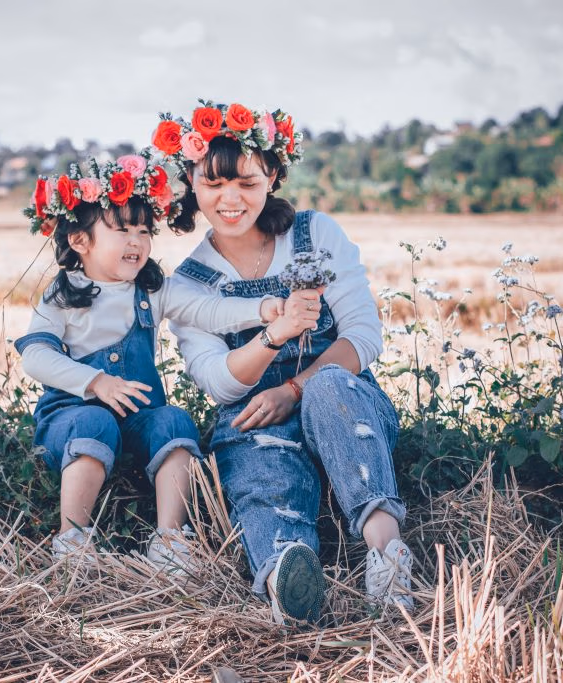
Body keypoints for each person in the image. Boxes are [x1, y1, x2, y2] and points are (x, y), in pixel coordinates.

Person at [151, 101, 414, 623]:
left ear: (271, 175)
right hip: (251, 413)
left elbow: (363, 338)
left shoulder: (316, 234)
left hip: (339, 393)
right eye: (214, 184)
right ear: (191, 182)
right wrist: (274, 335)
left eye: (247, 182)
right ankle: (286, 579)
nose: (231, 199)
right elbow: (219, 384)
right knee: (259, 466)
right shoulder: (188, 282)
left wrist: (292, 389)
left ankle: (388, 558)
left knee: (329, 389)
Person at [13, 152, 320, 575]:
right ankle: (73, 536)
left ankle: (171, 539)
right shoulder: (62, 295)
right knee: (93, 423)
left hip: (138, 418)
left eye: (144, 230)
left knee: (173, 420)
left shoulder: (153, 289)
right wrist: (96, 382)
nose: (137, 242)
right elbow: (37, 356)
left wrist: (265, 308)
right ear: (80, 241)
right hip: (70, 418)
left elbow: (208, 309)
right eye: (122, 231)